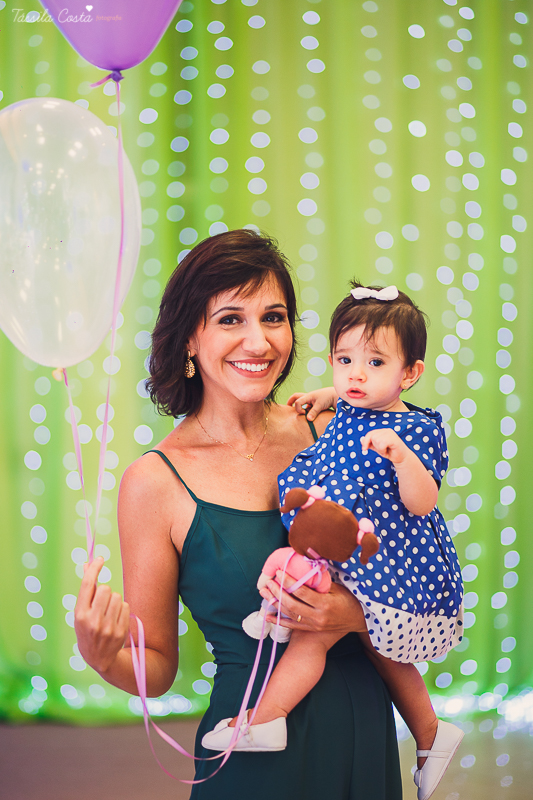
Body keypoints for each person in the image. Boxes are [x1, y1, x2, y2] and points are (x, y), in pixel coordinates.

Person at [74, 231, 402, 799]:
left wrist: (350, 614)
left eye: (273, 317)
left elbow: (412, 581)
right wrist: (106, 658)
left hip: (364, 738)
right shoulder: (154, 481)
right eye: (230, 319)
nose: (259, 341)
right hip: (251, 751)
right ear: (188, 340)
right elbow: (156, 666)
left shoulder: (333, 430)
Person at [202, 281, 464, 800]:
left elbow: (423, 501)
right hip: (346, 553)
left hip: (390, 558)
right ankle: (432, 733)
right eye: (344, 361)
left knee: (322, 636)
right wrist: (327, 393)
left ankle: (268, 716)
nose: (355, 376)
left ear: (411, 374)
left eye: (374, 363)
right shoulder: (345, 406)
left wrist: (401, 458)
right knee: (371, 643)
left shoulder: (418, 430)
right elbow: (345, 395)